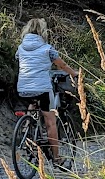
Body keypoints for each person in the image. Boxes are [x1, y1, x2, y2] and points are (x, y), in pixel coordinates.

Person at [15, 17, 76, 167]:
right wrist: (74, 73)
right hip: (42, 88)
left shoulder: (21, 48)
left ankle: (27, 128)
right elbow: (62, 65)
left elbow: (18, 59)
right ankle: (56, 158)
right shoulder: (47, 48)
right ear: (42, 31)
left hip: (23, 88)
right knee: (50, 122)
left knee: (32, 105)